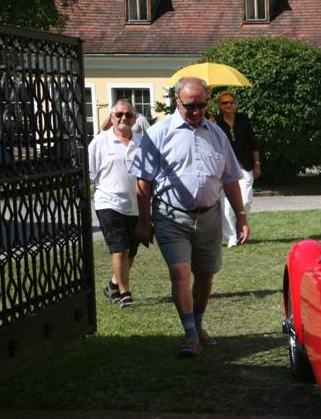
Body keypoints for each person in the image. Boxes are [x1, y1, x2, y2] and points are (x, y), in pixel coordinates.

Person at [131, 76, 250, 358]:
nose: (196, 111)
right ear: (177, 101)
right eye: (190, 106)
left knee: (206, 274)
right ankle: (190, 332)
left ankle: (197, 323)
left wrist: (242, 216)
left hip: (209, 216)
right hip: (170, 216)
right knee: (180, 272)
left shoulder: (216, 134)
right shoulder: (158, 134)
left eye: (200, 105)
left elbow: (231, 178)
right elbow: (143, 181)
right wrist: (144, 220)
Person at [88, 98, 141, 309]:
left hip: (136, 205)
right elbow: (89, 175)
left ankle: (112, 284)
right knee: (120, 250)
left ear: (135, 118)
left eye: (128, 115)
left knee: (131, 253)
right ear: (111, 117)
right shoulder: (100, 142)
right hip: (108, 202)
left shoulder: (143, 142)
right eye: (119, 114)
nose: (123, 118)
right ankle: (124, 293)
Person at [214, 91, 260, 247]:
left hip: (244, 164)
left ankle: (242, 228)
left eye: (231, 102)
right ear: (219, 106)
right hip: (225, 167)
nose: (228, 105)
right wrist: (211, 125)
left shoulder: (243, 119)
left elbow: (253, 143)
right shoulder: (215, 122)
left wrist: (257, 164)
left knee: (245, 200)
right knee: (226, 203)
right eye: (224, 103)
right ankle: (231, 236)